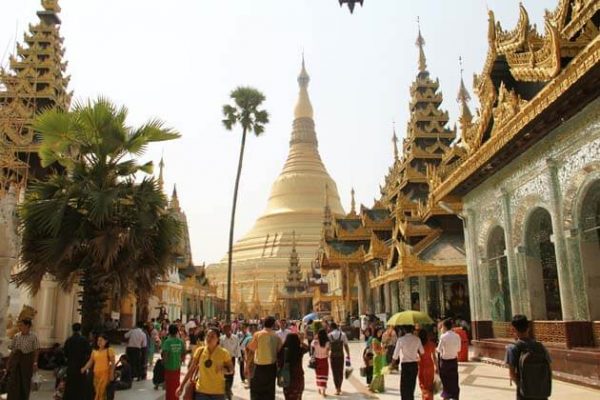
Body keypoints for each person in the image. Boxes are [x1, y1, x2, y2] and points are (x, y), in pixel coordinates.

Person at [177, 327, 233, 400]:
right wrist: (181, 386)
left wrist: (224, 370)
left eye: (212, 336)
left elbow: (231, 369)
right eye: (208, 336)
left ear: (218, 339)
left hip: (218, 393)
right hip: (201, 392)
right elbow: (191, 369)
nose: (209, 338)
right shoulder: (200, 351)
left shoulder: (224, 353)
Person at [505, 315, 552, 400]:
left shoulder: (512, 348)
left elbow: (512, 374)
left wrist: (523, 386)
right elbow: (549, 368)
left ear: (513, 329)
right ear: (528, 328)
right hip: (542, 392)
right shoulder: (540, 346)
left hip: (524, 394)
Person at [246, 316, 282, 400]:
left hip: (259, 368)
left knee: (256, 392)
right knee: (269, 392)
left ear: (263, 323)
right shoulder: (277, 337)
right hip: (271, 368)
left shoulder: (258, 335)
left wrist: (247, 365)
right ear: (273, 325)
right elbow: (279, 352)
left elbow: (251, 351)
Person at [7, 318, 40, 400]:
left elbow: (36, 350)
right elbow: (13, 350)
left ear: (27, 326)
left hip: (27, 360)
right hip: (17, 360)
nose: (19, 327)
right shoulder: (17, 336)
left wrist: (35, 362)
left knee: (25, 381)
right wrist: (9, 362)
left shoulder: (33, 336)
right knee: (14, 381)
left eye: (21, 325)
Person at [392, 325, 424, 400]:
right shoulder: (417, 339)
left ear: (404, 330)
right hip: (414, 364)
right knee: (411, 385)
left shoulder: (401, 340)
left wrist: (392, 364)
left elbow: (395, 355)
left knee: (404, 387)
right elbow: (422, 352)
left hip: (405, 365)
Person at [81, 333, 115, 400]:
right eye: (98, 340)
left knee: (102, 392)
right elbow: (90, 362)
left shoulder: (109, 350)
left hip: (105, 374)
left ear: (106, 341)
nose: (99, 342)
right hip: (96, 375)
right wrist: (84, 368)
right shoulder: (94, 351)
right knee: (97, 392)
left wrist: (112, 374)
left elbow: (113, 363)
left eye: (101, 340)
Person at [63, 323, 92, 400]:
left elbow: (65, 353)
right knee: (80, 384)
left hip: (71, 365)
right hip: (81, 365)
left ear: (72, 329)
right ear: (80, 329)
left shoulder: (68, 340)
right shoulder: (84, 340)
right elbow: (89, 352)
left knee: (70, 384)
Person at [277, 333, 308, 400]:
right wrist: (301, 342)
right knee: (298, 396)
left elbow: (278, 362)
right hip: (298, 376)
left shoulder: (283, 351)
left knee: (288, 396)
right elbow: (307, 348)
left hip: (287, 377)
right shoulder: (299, 350)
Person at [437, 319, 461, 400]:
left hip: (445, 362)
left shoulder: (443, 336)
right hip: (454, 361)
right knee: (454, 381)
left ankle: (446, 398)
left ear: (445, 327)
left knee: (446, 382)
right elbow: (459, 349)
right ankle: (455, 397)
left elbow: (439, 349)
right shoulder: (457, 336)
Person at [161, 324, 185, 400]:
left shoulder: (167, 341)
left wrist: (163, 363)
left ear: (169, 331)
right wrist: (180, 360)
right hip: (177, 367)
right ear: (177, 332)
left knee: (169, 387)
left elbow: (165, 354)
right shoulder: (180, 341)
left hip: (168, 367)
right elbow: (183, 353)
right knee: (176, 385)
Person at [327, 322, 350, 395]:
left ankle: (337, 389)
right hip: (341, 355)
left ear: (331, 327)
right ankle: (339, 387)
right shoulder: (342, 334)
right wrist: (348, 354)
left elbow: (328, 347)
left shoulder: (329, 335)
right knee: (340, 371)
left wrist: (326, 354)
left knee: (335, 372)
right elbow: (346, 345)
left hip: (333, 356)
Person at [220, 324, 241, 400]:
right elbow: (220, 349)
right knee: (224, 374)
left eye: (227, 329)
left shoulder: (235, 338)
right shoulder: (221, 338)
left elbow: (237, 347)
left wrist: (239, 357)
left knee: (231, 374)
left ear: (230, 329)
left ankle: (229, 388)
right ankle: (226, 389)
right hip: (223, 359)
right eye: (224, 330)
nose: (226, 331)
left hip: (231, 359)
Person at [418, 329, 437, 400]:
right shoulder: (431, 344)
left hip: (422, 366)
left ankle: (425, 398)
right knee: (430, 385)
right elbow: (434, 357)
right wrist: (437, 367)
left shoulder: (418, 345)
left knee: (423, 384)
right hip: (430, 365)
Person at [311, 328, 330, 397]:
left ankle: (319, 388)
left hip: (317, 360)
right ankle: (324, 392)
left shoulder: (315, 342)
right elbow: (328, 352)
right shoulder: (327, 342)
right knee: (324, 375)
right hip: (324, 360)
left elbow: (312, 349)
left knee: (318, 375)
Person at [369, 328, 386, 393]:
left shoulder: (379, 340)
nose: (380, 333)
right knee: (377, 373)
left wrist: (383, 349)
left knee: (381, 373)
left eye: (381, 332)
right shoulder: (374, 340)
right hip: (377, 358)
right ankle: (372, 387)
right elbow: (375, 350)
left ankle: (380, 387)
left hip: (381, 357)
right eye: (379, 332)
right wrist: (382, 349)